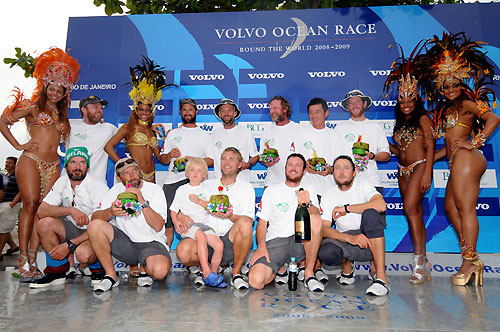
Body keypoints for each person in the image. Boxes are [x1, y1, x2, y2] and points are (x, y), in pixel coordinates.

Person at [421, 32, 500, 286]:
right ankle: (471, 256)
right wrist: (429, 160)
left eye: (455, 83)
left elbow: (493, 119)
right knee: (449, 208)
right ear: (440, 87)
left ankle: (469, 260)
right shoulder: (447, 111)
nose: (451, 89)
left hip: (468, 158)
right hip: (456, 160)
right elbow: (449, 146)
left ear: (462, 82)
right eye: (446, 86)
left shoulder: (468, 102)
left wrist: (474, 142)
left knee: (465, 209)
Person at [0, 47, 79, 282]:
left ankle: (33, 259)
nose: (55, 93)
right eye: (51, 88)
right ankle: (22, 259)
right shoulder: (32, 106)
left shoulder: (62, 115)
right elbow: (3, 121)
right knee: (31, 204)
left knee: (41, 212)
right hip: (31, 162)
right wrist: (18, 145)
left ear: (65, 92)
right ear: (45, 86)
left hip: (54, 164)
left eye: (59, 90)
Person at [384, 46, 436, 284]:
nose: (406, 104)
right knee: (414, 212)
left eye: (410, 100)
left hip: (419, 167)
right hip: (402, 171)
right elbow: (400, 150)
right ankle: (424, 262)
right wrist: (383, 150)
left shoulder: (424, 118)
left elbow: (431, 146)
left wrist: (427, 172)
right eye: (402, 100)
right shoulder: (399, 122)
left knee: (409, 208)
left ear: (417, 99)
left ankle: (418, 262)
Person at [29, 147, 109, 288]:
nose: (77, 167)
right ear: (66, 166)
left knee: (83, 254)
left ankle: (98, 267)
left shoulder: (98, 186)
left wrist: (69, 245)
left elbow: (103, 222)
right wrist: (70, 210)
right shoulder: (62, 182)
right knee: (44, 224)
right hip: (74, 229)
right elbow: (41, 211)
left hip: (96, 234)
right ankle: (56, 271)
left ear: (88, 167)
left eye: (82, 163)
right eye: (73, 162)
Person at [175, 147, 254, 290]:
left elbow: (249, 220)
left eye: (231, 159)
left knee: (245, 224)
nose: (226, 162)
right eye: (223, 158)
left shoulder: (247, 188)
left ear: (240, 164)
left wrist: (230, 216)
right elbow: (183, 204)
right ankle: (206, 270)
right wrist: (180, 217)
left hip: (230, 242)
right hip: (206, 238)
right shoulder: (205, 184)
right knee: (183, 250)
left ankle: (236, 273)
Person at [88, 157, 171, 292]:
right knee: (95, 226)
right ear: (119, 177)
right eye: (126, 173)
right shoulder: (116, 190)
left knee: (160, 271)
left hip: (151, 243)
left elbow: (158, 226)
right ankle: (111, 275)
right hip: (126, 244)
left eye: (134, 171)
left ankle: (144, 270)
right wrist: (110, 212)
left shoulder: (155, 190)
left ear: (140, 171)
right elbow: (95, 217)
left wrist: (142, 201)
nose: (132, 176)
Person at [248, 153, 324, 292]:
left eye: (297, 165)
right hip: (276, 242)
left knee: (315, 220)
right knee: (255, 281)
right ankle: (280, 268)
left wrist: (308, 203)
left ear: (304, 170)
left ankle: (309, 274)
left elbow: (317, 216)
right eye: (290, 165)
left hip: (300, 242)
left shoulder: (310, 189)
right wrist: (261, 247)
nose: (293, 168)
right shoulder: (271, 190)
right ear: (285, 168)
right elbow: (262, 223)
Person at [318, 155, 389, 296]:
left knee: (371, 213)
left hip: (368, 240)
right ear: (332, 172)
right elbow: (324, 229)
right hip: (346, 239)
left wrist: (347, 208)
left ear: (354, 172)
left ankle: (381, 278)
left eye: (346, 168)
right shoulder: (328, 194)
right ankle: (347, 267)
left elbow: (381, 205)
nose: (342, 172)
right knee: (326, 252)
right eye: (337, 168)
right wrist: (350, 238)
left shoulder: (363, 185)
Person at [105, 57, 172, 184]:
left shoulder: (152, 130)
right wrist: (123, 165)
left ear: (152, 111)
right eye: (141, 109)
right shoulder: (128, 128)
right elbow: (108, 147)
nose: (144, 113)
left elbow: (160, 158)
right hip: (134, 176)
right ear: (135, 109)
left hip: (152, 175)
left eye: (147, 110)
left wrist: (168, 147)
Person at [162, 98, 213, 248]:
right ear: (180, 112)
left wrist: (195, 161)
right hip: (172, 180)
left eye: (190, 110)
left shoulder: (205, 135)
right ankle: (166, 253)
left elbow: (211, 160)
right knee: (169, 222)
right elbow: (164, 160)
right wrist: (170, 154)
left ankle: (194, 256)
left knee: (195, 219)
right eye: (184, 110)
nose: (187, 112)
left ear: (196, 112)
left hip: (195, 182)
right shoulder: (172, 133)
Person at [170, 158, 227, 288]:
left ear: (204, 175)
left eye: (199, 170)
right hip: (189, 225)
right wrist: (176, 222)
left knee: (219, 245)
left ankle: (213, 273)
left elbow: (212, 207)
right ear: (186, 173)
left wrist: (198, 201)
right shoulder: (181, 189)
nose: (195, 173)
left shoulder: (207, 189)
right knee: (201, 236)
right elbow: (173, 209)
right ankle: (206, 272)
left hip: (205, 225)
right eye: (192, 170)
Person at [335, 90, 390, 190]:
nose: (354, 105)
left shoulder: (375, 127)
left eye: (357, 102)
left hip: (371, 182)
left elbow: (386, 155)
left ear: (364, 104)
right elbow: (333, 156)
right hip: (347, 184)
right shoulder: (339, 128)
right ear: (347, 106)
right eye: (351, 103)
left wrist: (372, 156)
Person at [67, 95, 117, 183]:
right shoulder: (69, 128)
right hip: (69, 185)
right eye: (95, 107)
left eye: (101, 108)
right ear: (84, 109)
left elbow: (131, 136)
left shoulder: (109, 128)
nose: (99, 111)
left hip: (96, 187)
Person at [210, 98, 259, 183]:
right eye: (223, 111)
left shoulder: (246, 132)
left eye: (229, 110)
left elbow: (255, 156)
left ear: (235, 113)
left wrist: (247, 165)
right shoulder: (214, 134)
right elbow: (210, 159)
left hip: (241, 183)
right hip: (220, 183)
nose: (226, 114)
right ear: (219, 114)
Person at [259, 96, 300, 187]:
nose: (272, 112)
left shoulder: (299, 129)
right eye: (270, 109)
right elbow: (261, 156)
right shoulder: (267, 131)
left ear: (285, 109)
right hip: (272, 183)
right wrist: (265, 162)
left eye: (275, 108)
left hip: (295, 184)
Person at [0, 157, 21, 259]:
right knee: (4, 227)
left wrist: (12, 204)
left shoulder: (18, 176)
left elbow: (21, 191)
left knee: (3, 230)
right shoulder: (5, 176)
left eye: (10, 163)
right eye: (6, 162)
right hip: (3, 204)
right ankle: (13, 246)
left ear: (15, 165)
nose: (7, 164)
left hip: (11, 204)